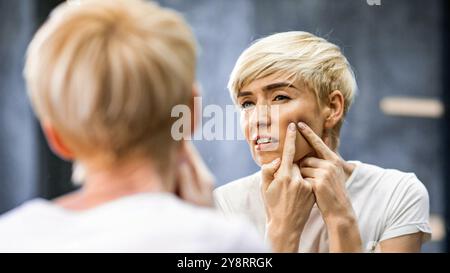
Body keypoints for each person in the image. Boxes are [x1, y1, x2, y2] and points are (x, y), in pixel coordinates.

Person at [0, 0, 265, 252]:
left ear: (57, 138)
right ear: (192, 112)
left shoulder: (10, 238)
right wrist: (207, 227)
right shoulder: (227, 244)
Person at [213, 31, 432, 252]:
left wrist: (341, 219)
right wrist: (282, 232)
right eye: (247, 103)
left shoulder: (396, 194)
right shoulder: (224, 205)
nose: (258, 119)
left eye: (280, 97)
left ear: (333, 108)